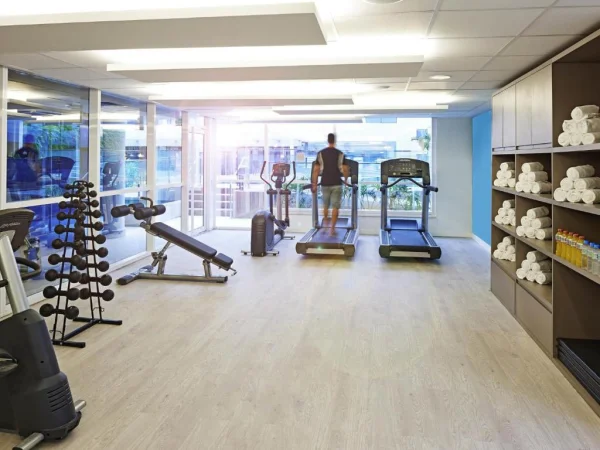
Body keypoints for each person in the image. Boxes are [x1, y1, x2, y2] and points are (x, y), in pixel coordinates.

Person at [312, 133, 349, 236]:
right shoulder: (340, 153)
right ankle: (332, 229)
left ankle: (326, 225)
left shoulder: (320, 153)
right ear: (334, 141)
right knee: (335, 207)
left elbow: (316, 170)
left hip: (325, 182)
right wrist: (346, 179)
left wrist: (314, 184)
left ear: (327, 140)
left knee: (325, 206)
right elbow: (345, 169)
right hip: (337, 182)